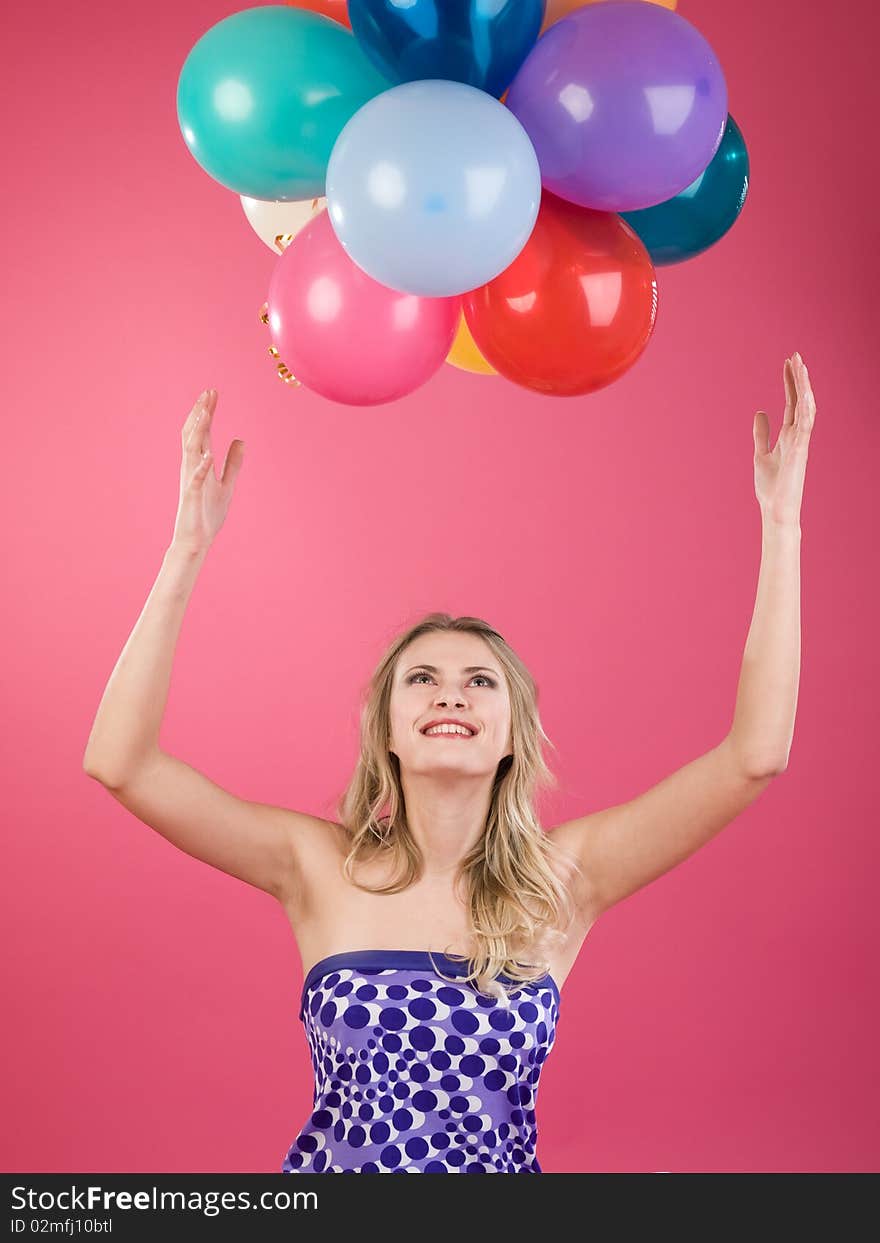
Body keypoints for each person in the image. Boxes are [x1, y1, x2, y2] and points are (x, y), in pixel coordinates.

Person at [83, 355, 815, 1172]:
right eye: (422, 679)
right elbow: (121, 763)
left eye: (479, 682)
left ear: (511, 734)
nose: (451, 696)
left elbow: (756, 755)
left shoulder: (564, 880)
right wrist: (186, 550)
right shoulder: (316, 865)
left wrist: (782, 526)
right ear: (389, 730)